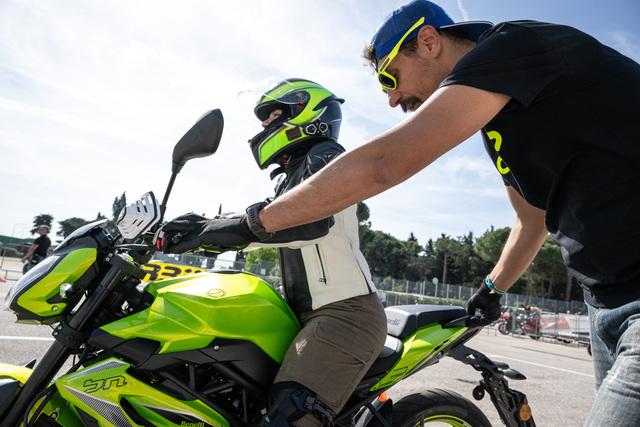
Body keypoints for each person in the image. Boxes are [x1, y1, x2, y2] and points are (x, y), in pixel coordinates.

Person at [170, 2, 640, 425]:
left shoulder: (513, 45)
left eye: (390, 78)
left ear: (428, 41)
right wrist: (492, 288)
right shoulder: (503, 120)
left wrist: (248, 224)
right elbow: (532, 216)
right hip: (605, 303)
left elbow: (384, 163)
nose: (392, 100)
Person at [161, 78, 387, 426]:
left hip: (345, 315)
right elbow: (261, 224)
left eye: (274, 115)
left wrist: (211, 231)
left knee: (284, 418)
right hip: (301, 315)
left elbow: (308, 223)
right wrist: (198, 229)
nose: (265, 124)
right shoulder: (292, 177)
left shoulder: (326, 157)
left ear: (306, 113)